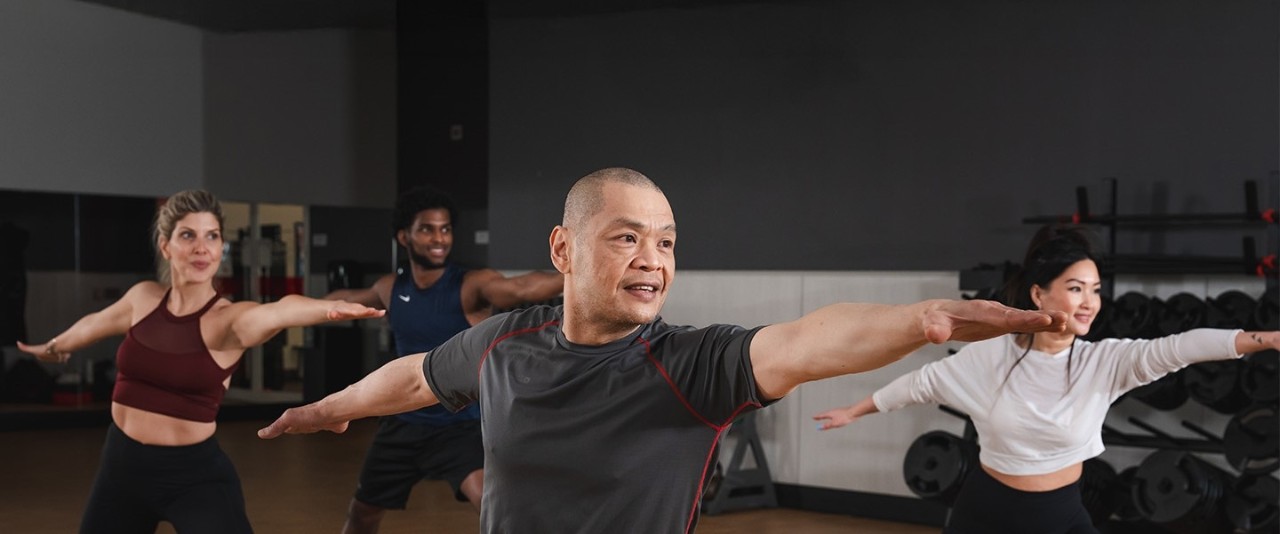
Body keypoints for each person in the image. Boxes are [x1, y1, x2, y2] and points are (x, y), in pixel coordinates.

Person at [258, 167, 1067, 534]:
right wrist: (329, 408)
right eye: (627, 238)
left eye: (668, 242)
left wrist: (917, 319)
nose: (654, 259)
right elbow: (415, 379)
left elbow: (806, 340)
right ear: (565, 248)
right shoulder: (507, 342)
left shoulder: (689, 365)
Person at [812, 225, 1280, 534]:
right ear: (1040, 292)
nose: (1089, 303)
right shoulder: (989, 357)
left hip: (1062, 511)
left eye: (1095, 291)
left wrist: (1267, 338)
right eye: (1075, 288)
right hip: (986, 510)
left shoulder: (1106, 362)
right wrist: (854, 410)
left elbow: (1182, 347)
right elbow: (921, 384)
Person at [16, 190, 384, 534]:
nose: (201, 248)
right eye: (188, 235)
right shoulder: (143, 298)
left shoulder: (229, 321)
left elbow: (281, 310)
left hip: (192, 475)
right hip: (121, 466)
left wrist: (328, 309)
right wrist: (55, 345)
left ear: (222, 246)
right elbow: (96, 323)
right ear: (166, 245)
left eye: (212, 237)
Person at [324, 186, 563, 533]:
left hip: (460, 425)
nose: (439, 238)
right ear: (404, 236)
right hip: (402, 423)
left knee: (492, 507)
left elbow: (520, 289)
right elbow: (341, 300)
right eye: (427, 229)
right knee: (362, 515)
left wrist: (577, 275)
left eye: (445, 228)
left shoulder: (471, 284)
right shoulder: (391, 287)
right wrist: (299, 309)